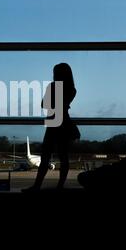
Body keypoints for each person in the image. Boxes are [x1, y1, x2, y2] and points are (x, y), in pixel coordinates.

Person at [23, 63, 80, 191]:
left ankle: (37, 186)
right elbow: (58, 105)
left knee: (45, 157)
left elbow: (44, 104)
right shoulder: (72, 89)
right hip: (63, 123)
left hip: (53, 123)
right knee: (63, 157)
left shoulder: (53, 87)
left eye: (55, 73)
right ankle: (60, 186)